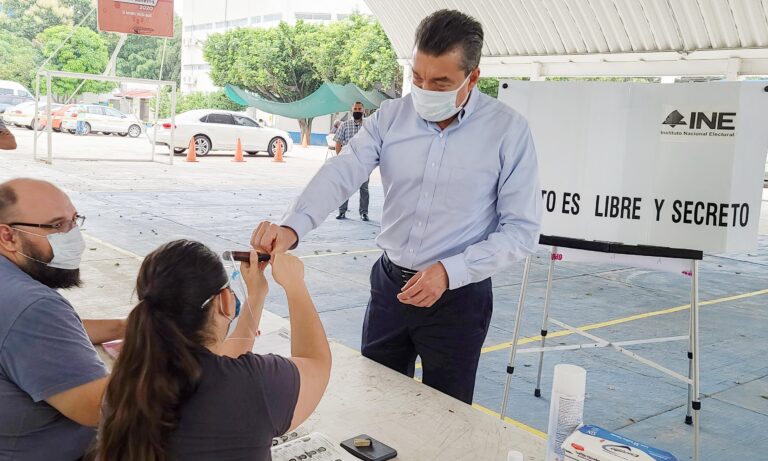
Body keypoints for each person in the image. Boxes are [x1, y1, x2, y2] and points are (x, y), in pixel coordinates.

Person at [251, 9, 542, 404]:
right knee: (376, 397)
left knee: (447, 411)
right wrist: (291, 228)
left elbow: (521, 231)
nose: (425, 90)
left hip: (457, 299)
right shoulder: (391, 117)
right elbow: (344, 171)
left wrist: (449, 271)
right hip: (391, 287)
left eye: (441, 82)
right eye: (418, 78)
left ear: (473, 77)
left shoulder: (507, 131)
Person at [93, 240, 332, 461]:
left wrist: (256, 296)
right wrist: (295, 285)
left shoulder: (123, 388)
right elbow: (316, 362)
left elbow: (223, 366)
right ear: (225, 301)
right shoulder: (256, 385)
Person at [0, 178, 126, 460]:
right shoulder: (33, 306)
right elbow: (100, 409)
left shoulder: (12, 290)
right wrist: (154, 353)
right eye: (57, 226)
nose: (74, 236)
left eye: (74, 220)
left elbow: (48, 336)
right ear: (8, 236)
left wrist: (125, 326)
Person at [334, 101, 370, 221]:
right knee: (345, 187)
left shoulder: (369, 125)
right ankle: (342, 211)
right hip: (347, 162)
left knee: (364, 189)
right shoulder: (345, 125)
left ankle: (364, 213)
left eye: (359, 109)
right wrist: (341, 158)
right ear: (352, 110)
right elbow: (338, 142)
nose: (357, 111)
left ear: (363, 111)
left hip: (364, 163)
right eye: (355, 108)